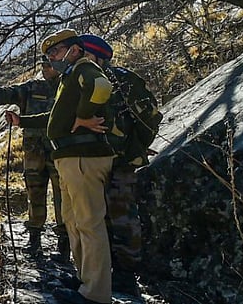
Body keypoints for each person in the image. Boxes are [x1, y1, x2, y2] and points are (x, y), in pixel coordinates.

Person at [5, 29, 116, 304]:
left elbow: (102, 88)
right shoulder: (70, 77)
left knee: (89, 223)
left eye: (55, 52)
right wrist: (22, 122)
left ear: (74, 50)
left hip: (83, 156)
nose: (51, 59)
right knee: (74, 221)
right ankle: (84, 279)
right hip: (70, 157)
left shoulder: (84, 69)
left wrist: (83, 116)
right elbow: (55, 117)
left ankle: (96, 294)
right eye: (48, 55)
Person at [76, 34, 161, 297]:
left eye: (83, 54)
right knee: (96, 217)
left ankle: (126, 274)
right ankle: (101, 270)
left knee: (122, 214)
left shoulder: (122, 80)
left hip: (120, 161)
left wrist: (135, 147)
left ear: (96, 56)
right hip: (90, 159)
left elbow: (149, 117)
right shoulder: (80, 80)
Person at [0, 57, 69, 258]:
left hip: (59, 151)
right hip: (34, 152)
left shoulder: (68, 88)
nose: (45, 69)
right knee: (34, 192)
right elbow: (7, 93)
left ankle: (64, 245)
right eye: (43, 65)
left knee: (63, 197)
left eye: (48, 65)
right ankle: (34, 240)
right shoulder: (32, 88)